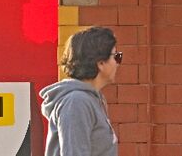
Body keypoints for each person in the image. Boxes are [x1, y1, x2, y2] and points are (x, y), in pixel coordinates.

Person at [40, 26, 122, 156]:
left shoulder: (94, 99)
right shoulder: (77, 102)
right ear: (100, 63)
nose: (118, 63)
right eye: (116, 56)